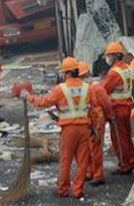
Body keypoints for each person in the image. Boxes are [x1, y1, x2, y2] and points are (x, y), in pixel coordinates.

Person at [23, 57, 92, 199]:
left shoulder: (61, 89)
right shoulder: (87, 88)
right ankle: (77, 190)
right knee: (83, 161)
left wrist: (28, 97)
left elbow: (43, 102)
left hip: (69, 130)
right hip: (84, 127)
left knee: (66, 160)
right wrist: (94, 128)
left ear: (66, 73)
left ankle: (63, 190)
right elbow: (93, 108)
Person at [99, 42, 134, 174]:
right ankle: (131, 161)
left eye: (109, 55)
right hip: (126, 106)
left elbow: (103, 89)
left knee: (119, 139)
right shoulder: (127, 68)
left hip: (117, 108)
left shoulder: (114, 73)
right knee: (126, 137)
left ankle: (124, 165)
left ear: (114, 56)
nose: (107, 58)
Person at [79, 61, 114, 186]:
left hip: (95, 120)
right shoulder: (86, 88)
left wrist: (110, 116)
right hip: (88, 120)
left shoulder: (95, 87)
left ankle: (98, 175)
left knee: (95, 148)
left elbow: (106, 103)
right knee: (88, 148)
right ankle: (91, 172)